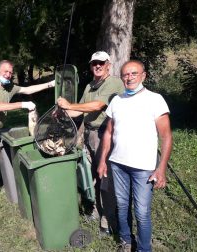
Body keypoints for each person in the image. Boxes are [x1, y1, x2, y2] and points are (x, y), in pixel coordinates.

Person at [97, 60, 173, 252]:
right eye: (125, 74)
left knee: (141, 212)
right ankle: (125, 241)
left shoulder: (155, 99)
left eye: (133, 73)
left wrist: (161, 168)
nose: (129, 77)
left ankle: (143, 249)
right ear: (121, 77)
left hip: (144, 167)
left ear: (143, 76)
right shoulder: (117, 100)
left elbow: (166, 136)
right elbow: (108, 132)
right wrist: (103, 160)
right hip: (118, 164)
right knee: (122, 206)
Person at [0, 60, 55, 226]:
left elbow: (27, 89)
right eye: (5, 71)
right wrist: (23, 104)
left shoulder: (8, 86)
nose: (8, 74)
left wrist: (50, 84)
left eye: (10, 72)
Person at [57, 51, 124, 235]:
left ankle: (108, 219)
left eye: (101, 63)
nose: (97, 66)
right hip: (87, 134)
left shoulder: (114, 83)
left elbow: (97, 106)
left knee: (105, 177)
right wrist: (62, 112)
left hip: (105, 135)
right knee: (90, 175)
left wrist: (69, 105)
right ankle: (95, 209)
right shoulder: (89, 86)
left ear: (108, 64)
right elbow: (78, 111)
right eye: (94, 63)